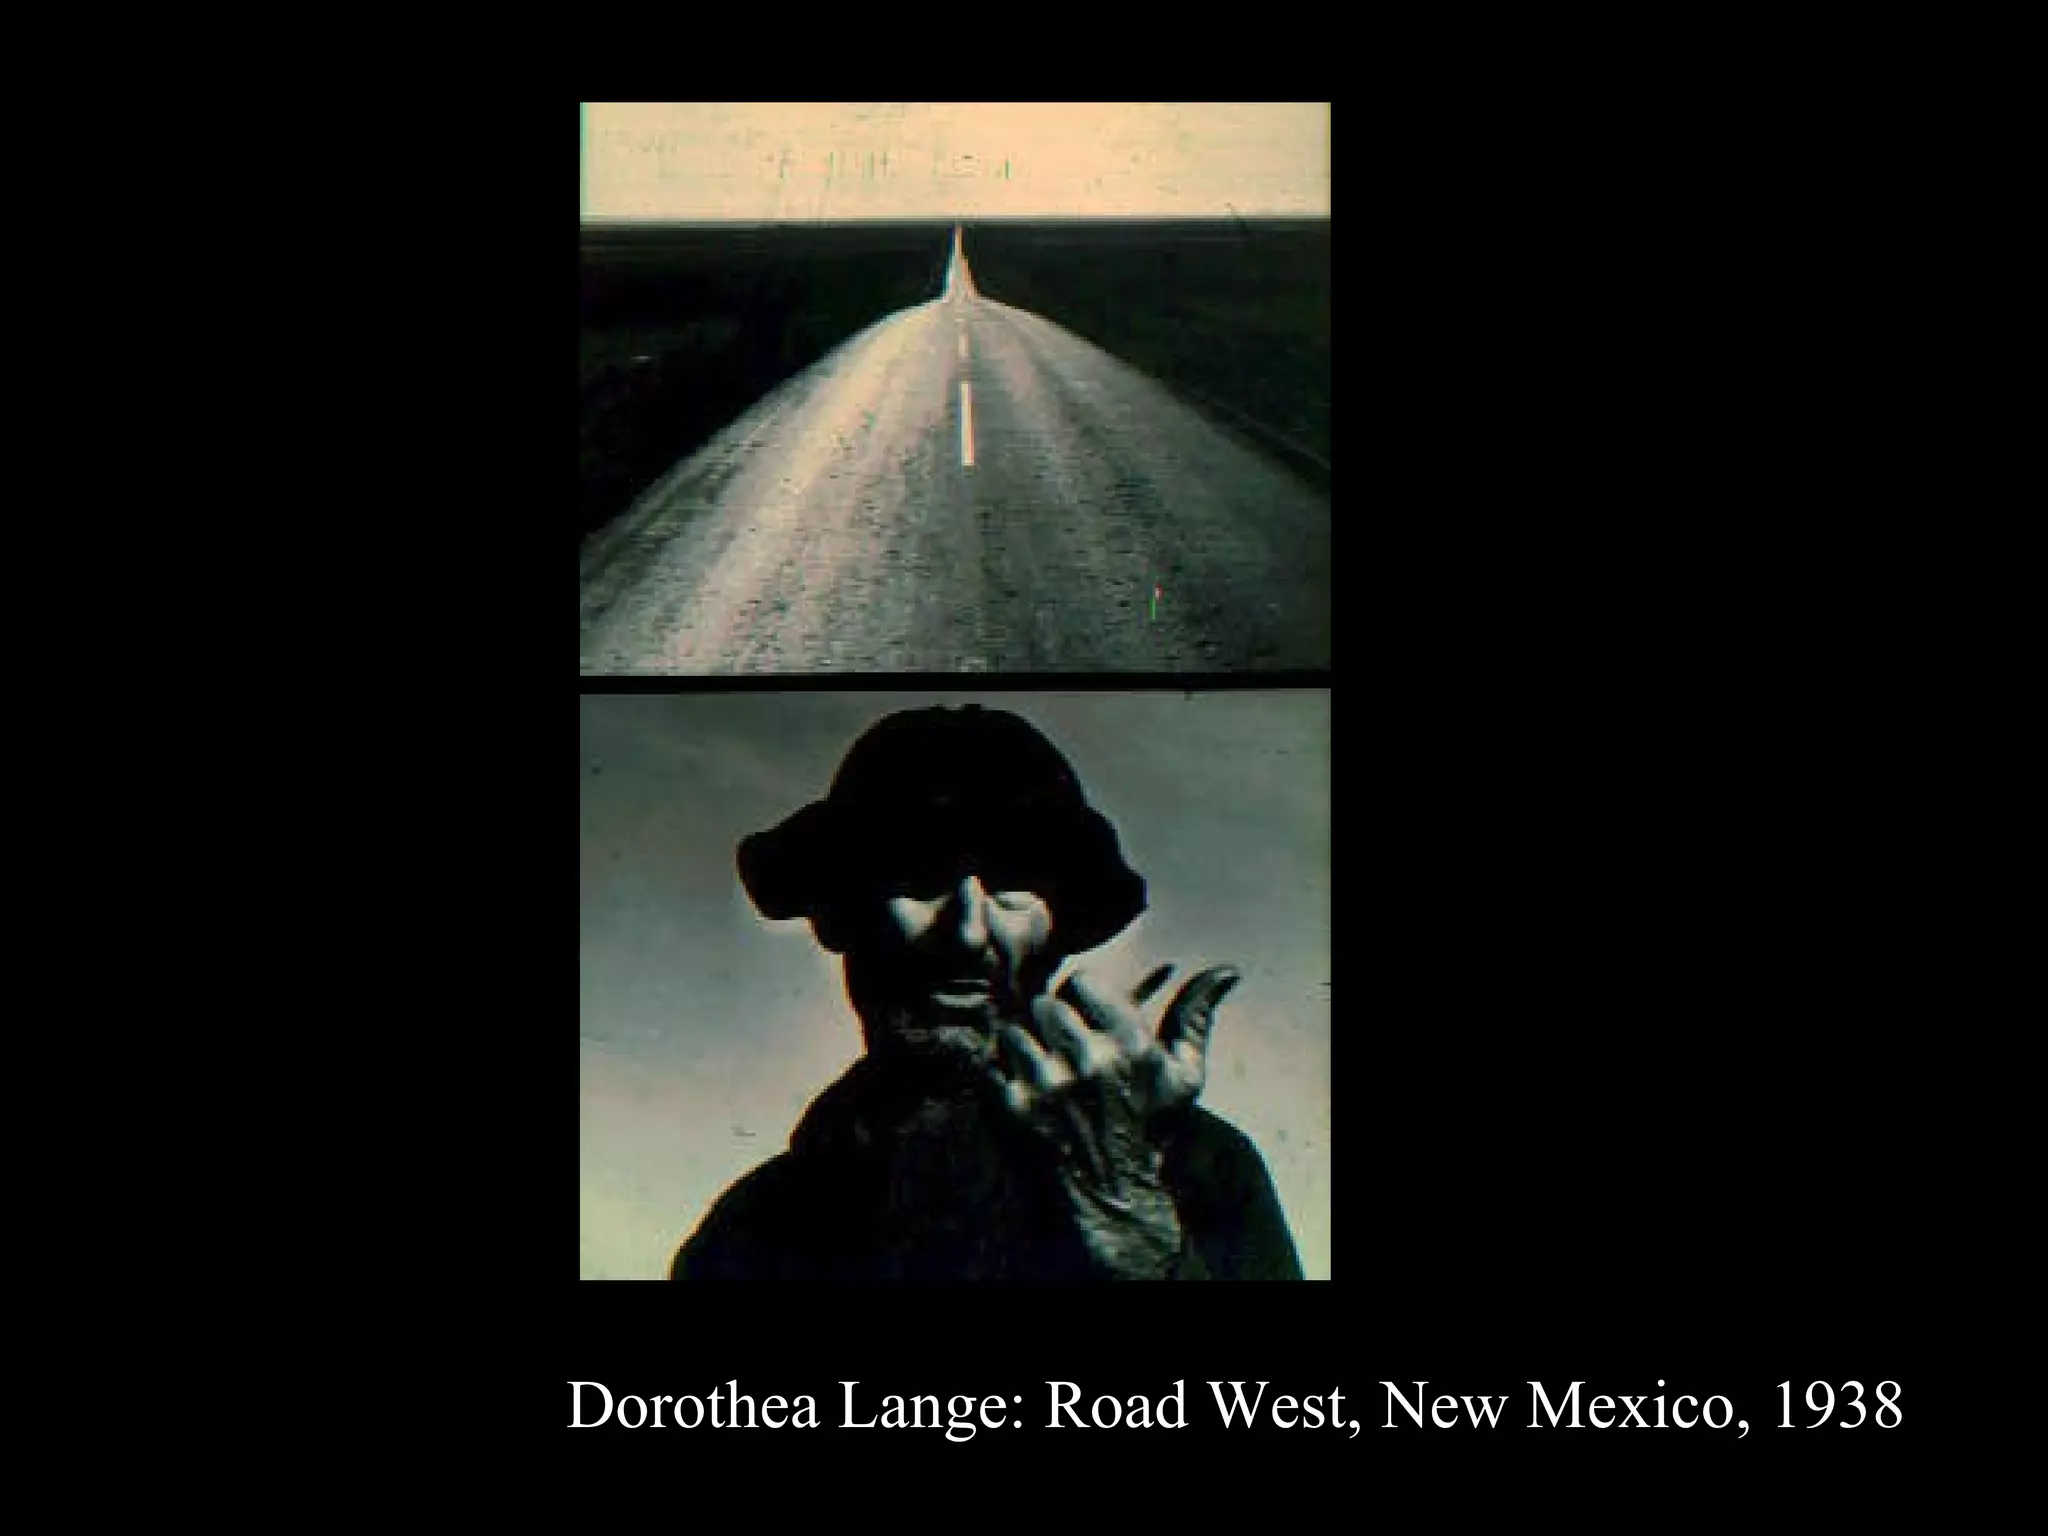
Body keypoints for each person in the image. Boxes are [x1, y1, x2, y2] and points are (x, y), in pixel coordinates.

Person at [670, 704, 1303, 1281]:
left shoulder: (1198, 1170)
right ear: (839, 912)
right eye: (920, 874)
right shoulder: (749, 1228)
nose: (970, 931)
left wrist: (1137, 1245)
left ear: (1060, 924)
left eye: (1012, 880)